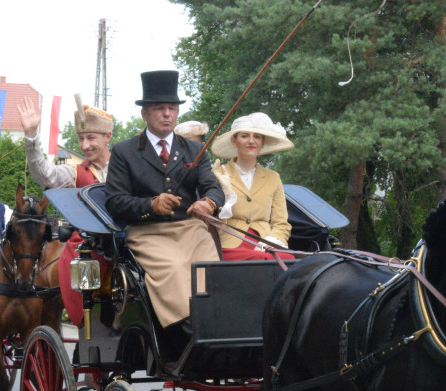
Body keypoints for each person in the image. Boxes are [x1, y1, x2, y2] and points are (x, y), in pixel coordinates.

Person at [104, 69, 224, 345]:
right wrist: (151, 205)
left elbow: (213, 188)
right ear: (145, 114)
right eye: (159, 109)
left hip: (191, 230)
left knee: (206, 268)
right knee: (173, 267)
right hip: (148, 234)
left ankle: (216, 326)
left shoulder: (194, 151)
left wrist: (209, 202)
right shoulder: (125, 152)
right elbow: (114, 202)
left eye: (172, 108)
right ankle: (191, 334)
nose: (167, 114)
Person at [17, 95, 114, 325]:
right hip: (92, 249)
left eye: (91, 137)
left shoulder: (124, 168)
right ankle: (86, 322)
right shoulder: (75, 173)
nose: (84, 145)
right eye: (81, 139)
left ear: (107, 136)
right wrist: (31, 137)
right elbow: (45, 175)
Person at [210, 112, 295, 261]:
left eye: (257, 136)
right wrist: (228, 196)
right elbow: (212, 221)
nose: (251, 141)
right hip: (229, 244)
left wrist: (270, 242)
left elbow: (281, 223)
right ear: (233, 141)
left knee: (287, 258)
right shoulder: (219, 173)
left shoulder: (273, 177)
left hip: (264, 243)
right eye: (244, 136)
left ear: (262, 143)